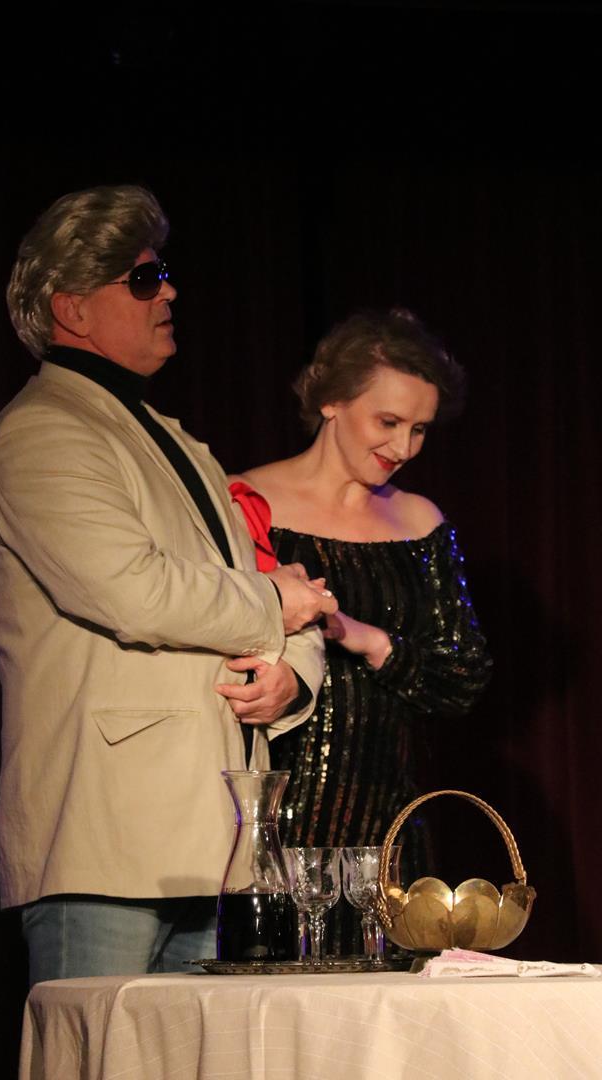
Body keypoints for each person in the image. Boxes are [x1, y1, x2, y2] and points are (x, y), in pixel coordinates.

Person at [0, 185, 332, 983]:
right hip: (105, 838)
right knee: (97, 1046)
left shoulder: (174, 440)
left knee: (195, 1049)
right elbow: (130, 591)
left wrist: (289, 677)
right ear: (72, 308)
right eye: (143, 279)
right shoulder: (42, 431)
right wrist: (277, 604)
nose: (168, 292)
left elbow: (267, 587)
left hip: (210, 836)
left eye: (162, 274)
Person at [231, 308, 493, 954]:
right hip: (280, 824)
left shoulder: (419, 522)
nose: (404, 448)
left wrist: (366, 638)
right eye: (389, 422)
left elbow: (463, 679)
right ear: (331, 402)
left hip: (391, 832)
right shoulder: (247, 502)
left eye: (419, 429)